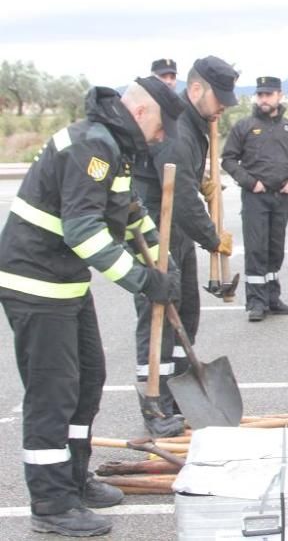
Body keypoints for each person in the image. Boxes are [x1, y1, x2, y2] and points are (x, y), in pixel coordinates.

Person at [0, 80, 183, 536]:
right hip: (35, 283)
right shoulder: (92, 147)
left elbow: (130, 213)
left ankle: (75, 479)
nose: (161, 138)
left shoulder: (113, 145)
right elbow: (84, 231)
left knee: (88, 379)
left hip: (62, 283)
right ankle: (51, 503)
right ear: (142, 113)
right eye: (161, 127)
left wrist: (165, 261)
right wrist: (143, 281)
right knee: (52, 392)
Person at [133, 56, 238, 427]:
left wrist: (202, 179)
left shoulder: (198, 125)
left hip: (175, 231)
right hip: (154, 230)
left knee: (186, 312)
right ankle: (154, 403)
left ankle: (177, 392)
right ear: (196, 90)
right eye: (219, 98)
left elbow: (186, 182)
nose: (223, 106)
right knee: (158, 317)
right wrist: (211, 238)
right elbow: (178, 196)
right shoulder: (177, 130)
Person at [222, 76, 288, 321]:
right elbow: (228, 159)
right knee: (256, 250)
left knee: (275, 250)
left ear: (279, 96)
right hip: (255, 198)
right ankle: (256, 302)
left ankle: (272, 298)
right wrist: (251, 182)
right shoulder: (245, 126)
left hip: (280, 198)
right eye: (260, 94)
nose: (264, 99)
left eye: (268, 94)